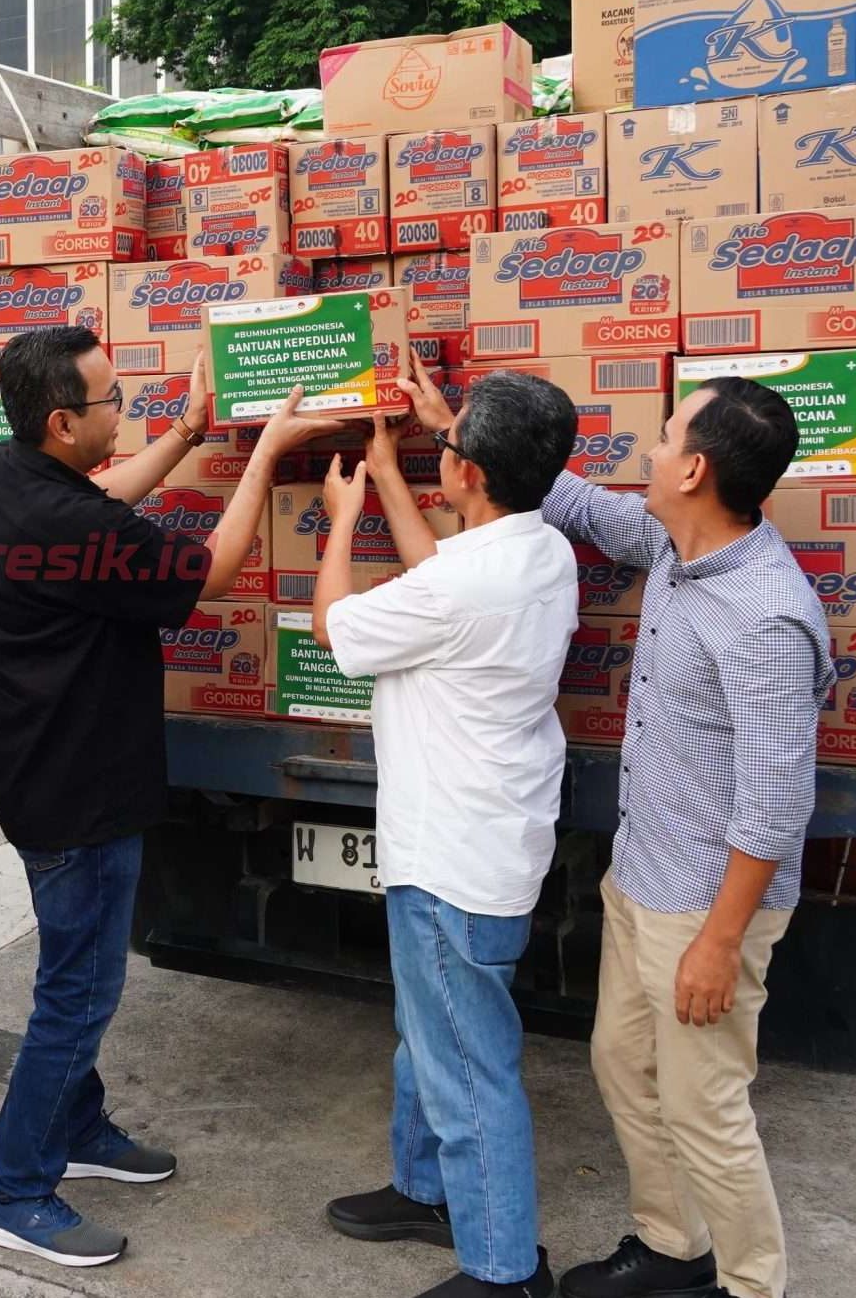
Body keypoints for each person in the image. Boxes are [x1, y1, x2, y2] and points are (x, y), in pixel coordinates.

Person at [0, 326, 339, 1267]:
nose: (121, 412)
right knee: (78, 992)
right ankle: (16, 1188)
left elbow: (100, 496)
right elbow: (204, 574)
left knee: (77, 973)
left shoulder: (9, 473)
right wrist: (265, 453)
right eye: (111, 403)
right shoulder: (64, 518)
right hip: (73, 791)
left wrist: (186, 434)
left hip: (45, 768)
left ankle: (78, 1126)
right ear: (61, 420)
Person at [530, 377, 829, 1298]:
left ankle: (751, 1285)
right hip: (644, 876)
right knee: (623, 1067)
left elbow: (774, 807)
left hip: (707, 905)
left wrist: (718, 941)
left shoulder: (766, 616)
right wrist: (462, 429)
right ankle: (672, 1247)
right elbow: (583, 505)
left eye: (662, 440)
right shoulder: (676, 539)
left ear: (694, 468)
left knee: (705, 1107)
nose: (648, 454)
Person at [314, 365, 582, 1298]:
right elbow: (443, 579)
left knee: (469, 1070)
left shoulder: (468, 584)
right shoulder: (540, 549)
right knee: (430, 1031)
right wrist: (391, 471)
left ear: (467, 472)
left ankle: (505, 1270)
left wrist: (342, 513)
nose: (443, 445)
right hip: (494, 840)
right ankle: (423, 1188)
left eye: (451, 440)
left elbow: (335, 626)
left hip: (451, 858)